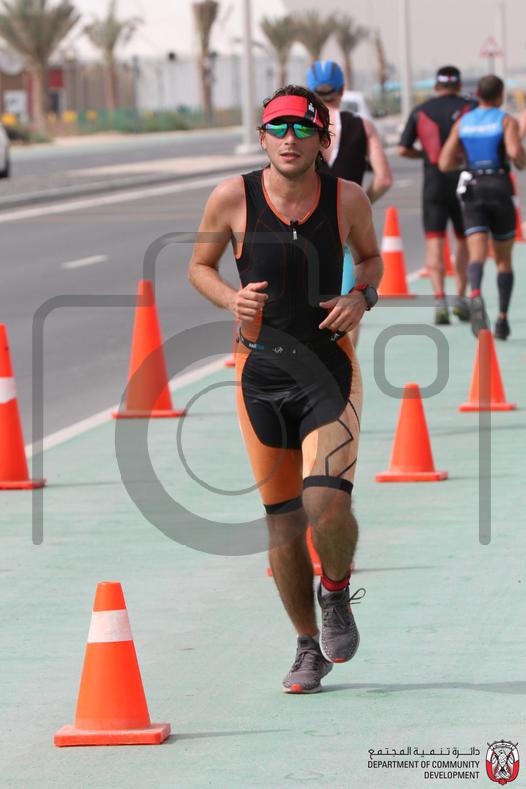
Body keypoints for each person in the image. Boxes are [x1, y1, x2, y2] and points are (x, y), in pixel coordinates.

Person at [188, 85, 383, 693]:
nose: (289, 138)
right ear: (262, 137)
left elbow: (371, 261)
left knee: (327, 503)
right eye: (278, 128)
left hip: (328, 369)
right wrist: (231, 298)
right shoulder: (232, 198)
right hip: (260, 375)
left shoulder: (346, 198)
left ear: (323, 139)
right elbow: (199, 267)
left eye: (303, 128)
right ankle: (306, 646)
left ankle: (336, 591)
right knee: (282, 522)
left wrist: (361, 296)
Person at [306, 60, 392, 346]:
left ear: (310, 92)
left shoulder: (302, 129)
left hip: (305, 224)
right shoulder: (362, 126)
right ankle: (346, 369)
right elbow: (384, 179)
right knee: (347, 307)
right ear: (342, 89)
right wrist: (361, 203)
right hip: (345, 229)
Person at [439, 75, 526, 339]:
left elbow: (444, 162)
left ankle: (475, 293)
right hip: (499, 186)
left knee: (476, 254)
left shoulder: (463, 122)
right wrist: (522, 162)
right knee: (503, 259)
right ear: (500, 95)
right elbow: (514, 152)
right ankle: (502, 320)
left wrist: (465, 161)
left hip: (473, 188)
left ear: (478, 94)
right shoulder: (506, 120)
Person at [399, 65, 476, 325]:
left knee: (435, 241)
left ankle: (440, 299)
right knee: (464, 241)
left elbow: (402, 149)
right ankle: (461, 298)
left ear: (436, 86)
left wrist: (424, 155)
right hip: (464, 182)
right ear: (459, 85)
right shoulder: (470, 107)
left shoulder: (420, 110)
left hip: (433, 183)